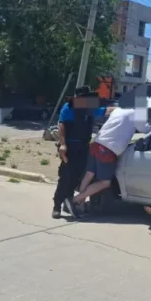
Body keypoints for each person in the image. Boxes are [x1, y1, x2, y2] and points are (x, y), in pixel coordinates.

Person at [70, 106, 151, 216]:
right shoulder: (137, 113)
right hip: (108, 149)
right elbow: (146, 129)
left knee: (89, 174)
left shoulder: (120, 109)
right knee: (105, 183)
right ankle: (75, 200)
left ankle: (79, 205)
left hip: (97, 143)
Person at [52, 86, 112, 219]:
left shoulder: (89, 107)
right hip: (69, 147)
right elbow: (61, 125)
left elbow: (106, 111)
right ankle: (56, 206)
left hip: (83, 147)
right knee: (66, 177)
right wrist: (63, 145)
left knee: (76, 177)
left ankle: (67, 203)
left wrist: (123, 109)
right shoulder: (69, 107)